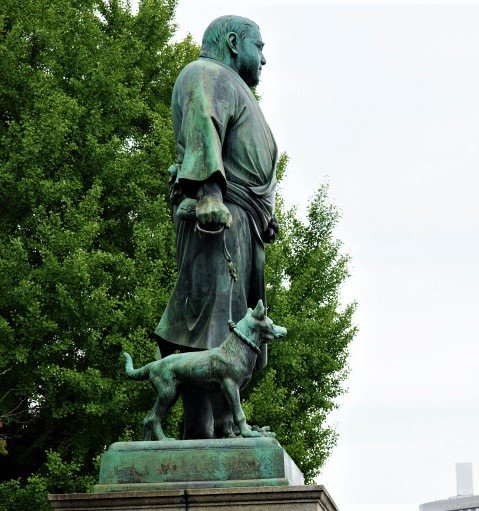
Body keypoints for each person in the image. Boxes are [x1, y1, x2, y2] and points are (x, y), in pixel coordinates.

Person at [154, 15, 279, 439]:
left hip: (243, 225)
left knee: (235, 328)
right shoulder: (207, 74)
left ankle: (224, 424)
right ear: (232, 42)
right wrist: (208, 191)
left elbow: (244, 154)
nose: (265, 58)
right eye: (258, 47)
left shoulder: (235, 86)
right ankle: (202, 431)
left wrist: (266, 213)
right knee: (209, 327)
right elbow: (203, 124)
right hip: (217, 220)